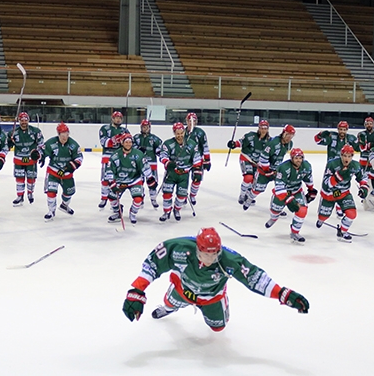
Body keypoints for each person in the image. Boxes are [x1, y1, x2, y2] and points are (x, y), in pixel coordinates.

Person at [122, 227, 309, 331]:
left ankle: (222, 301)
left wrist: (282, 294)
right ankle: (169, 308)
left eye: (215, 253)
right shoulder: (179, 248)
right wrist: (136, 290)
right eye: (206, 254)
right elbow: (153, 263)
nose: (212, 259)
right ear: (197, 249)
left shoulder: (229, 260)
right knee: (168, 303)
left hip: (212, 297)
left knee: (218, 328)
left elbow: (254, 278)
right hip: (183, 289)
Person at [316, 144, 369, 243]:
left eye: (349, 156)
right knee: (323, 216)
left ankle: (343, 231)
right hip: (329, 193)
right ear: (341, 155)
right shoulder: (332, 164)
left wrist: (364, 188)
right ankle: (321, 219)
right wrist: (338, 176)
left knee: (352, 214)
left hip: (344, 192)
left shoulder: (355, 165)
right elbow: (326, 184)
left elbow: (362, 178)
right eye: (345, 156)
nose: (347, 159)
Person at [264, 148, 317, 244]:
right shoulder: (283, 167)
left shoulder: (306, 166)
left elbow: (308, 178)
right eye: (296, 158)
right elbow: (279, 185)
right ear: (292, 158)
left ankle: (295, 232)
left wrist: (311, 189)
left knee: (302, 210)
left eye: (300, 158)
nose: (298, 160)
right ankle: (274, 217)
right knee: (275, 210)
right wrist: (288, 199)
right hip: (283, 192)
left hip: (296, 191)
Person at [105, 133, 157, 225]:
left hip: (134, 180)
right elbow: (109, 169)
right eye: (126, 142)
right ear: (122, 143)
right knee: (112, 198)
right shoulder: (115, 155)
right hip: (120, 181)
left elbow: (145, 167)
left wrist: (150, 178)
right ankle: (118, 212)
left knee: (138, 199)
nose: (128, 144)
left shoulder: (138, 154)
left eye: (130, 142)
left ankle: (132, 213)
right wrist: (112, 183)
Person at [243, 124, 296, 211]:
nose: (289, 137)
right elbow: (263, 157)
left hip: (277, 171)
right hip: (264, 171)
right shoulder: (273, 143)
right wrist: (267, 170)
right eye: (287, 134)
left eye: (291, 136)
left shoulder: (290, 144)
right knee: (258, 189)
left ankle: (277, 208)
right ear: (283, 133)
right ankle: (249, 198)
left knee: (281, 190)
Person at [156, 122, 201, 222]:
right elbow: (163, 155)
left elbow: (197, 157)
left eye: (181, 133)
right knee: (167, 193)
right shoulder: (168, 144)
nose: (180, 136)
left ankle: (177, 209)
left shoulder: (192, 144)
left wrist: (197, 170)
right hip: (171, 173)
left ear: (184, 132)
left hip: (184, 174)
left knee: (181, 195)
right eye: (177, 133)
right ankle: (166, 211)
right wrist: (167, 163)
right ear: (174, 133)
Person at [40, 122, 83, 222]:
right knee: (51, 191)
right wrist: (40, 156)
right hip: (53, 171)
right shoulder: (51, 143)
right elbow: (42, 151)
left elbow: (79, 158)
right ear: (58, 134)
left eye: (67, 135)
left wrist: (70, 167)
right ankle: (51, 211)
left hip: (67, 174)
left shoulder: (73, 144)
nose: (65, 137)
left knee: (69, 192)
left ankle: (64, 205)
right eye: (63, 135)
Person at [315, 121, 359, 218]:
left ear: (347, 130)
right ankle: (324, 206)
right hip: (332, 167)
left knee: (343, 185)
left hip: (345, 165)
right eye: (340, 129)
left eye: (344, 129)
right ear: (337, 129)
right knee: (328, 186)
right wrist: (320, 135)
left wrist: (363, 142)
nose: (342, 131)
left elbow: (360, 148)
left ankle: (340, 206)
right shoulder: (332, 136)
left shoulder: (351, 138)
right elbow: (317, 141)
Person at [227, 119, 271, 205]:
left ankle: (247, 194)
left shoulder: (270, 141)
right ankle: (242, 195)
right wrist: (234, 144)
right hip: (246, 158)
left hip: (257, 163)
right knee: (248, 177)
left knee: (254, 180)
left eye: (265, 128)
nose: (263, 130)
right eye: (262, 128)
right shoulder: (251, 136)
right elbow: (240, 142)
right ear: (258, 128)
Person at [7, 112, 45, 206]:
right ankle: (20, 196)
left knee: (31, 178)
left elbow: (41, 145)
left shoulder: (35, 131)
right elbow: (7, 146)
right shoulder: (13, 132)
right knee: (19, 178)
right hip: (19, 159)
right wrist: (10, 141)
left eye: (25, 120)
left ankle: (30, 193)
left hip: (31, 159)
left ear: (28, 120)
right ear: (19, 121)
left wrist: (40, 155)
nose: (24, 122)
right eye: (22, 120)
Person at [98, 111, 129, 210]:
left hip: (119, 158)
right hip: (107, 157)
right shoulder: (105, 128)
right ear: (112, 118)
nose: (118, 119)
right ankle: (103, 198)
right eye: (116, 117)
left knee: (117, 180)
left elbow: (129, 144)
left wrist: (124, 140)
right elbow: (104, 142)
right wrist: (115, 139)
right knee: (105, 179)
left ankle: (114, 200)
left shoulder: (125, 130)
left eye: (120, 118)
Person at [133, 119, 162, 208]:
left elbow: (160, 148)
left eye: (147, 127)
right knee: (139, 182)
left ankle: (153, 198)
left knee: (152, 183)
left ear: (149, 127)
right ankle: (140, 197)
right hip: (139, 165)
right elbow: (131, 147)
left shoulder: (155, 138)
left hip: (151, 164)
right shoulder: (136, 138)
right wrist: (138, 149)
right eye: (143, 127)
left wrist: (159, 152)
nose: (145, 128)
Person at [184, 112, 211, 206]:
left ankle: (192, 195)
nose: (192, 123)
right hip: (185, 160)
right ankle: (182, 194)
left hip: (198, 160)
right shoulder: (181, 132)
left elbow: (205, 146)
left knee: (197, 178)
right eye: (190, 121)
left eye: (194, 121)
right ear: (186, 121)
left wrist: (207, 160)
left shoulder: (200, 133)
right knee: (183, 179)